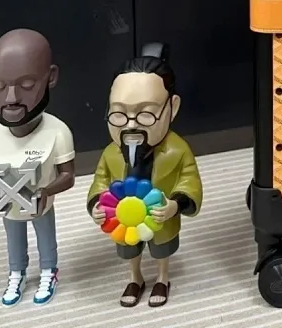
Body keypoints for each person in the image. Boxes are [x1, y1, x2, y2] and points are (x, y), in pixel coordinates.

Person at [87, 45, 203, 308]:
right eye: (118, 114)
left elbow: (189, 180)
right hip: (123, 219)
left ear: (172, 107)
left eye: (146, 114)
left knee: (162, 248)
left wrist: (175, 204)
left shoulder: (178, 150)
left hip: (160, 216)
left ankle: (162, 277)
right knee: (129, 247)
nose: (131, 124)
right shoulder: (111, 153)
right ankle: (135, 277)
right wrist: (97, 204)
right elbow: (100, 180)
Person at [0, 29, 75, 307]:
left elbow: (68, 176)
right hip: (8, 206)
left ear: (51, 77)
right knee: (13, 240)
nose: (11, 98)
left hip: (41, 205)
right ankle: (17, 273)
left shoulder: (58, 132)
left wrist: (46, 191)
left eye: (26, 84)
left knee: (45, 237)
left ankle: (49, 271)